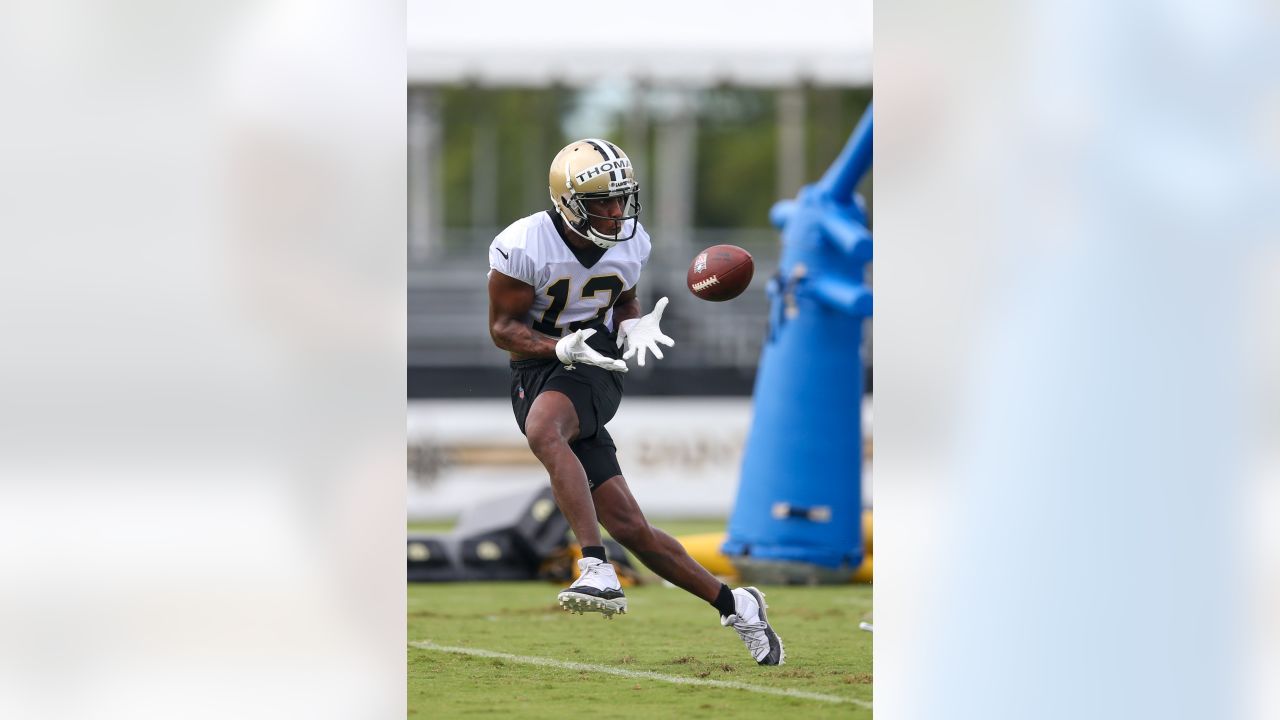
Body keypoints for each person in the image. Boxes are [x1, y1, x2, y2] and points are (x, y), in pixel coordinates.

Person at [485, 138, 784, 666]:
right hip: (535, 367)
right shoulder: (523, 244)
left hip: (597, 364)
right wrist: (556, 345)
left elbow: (621, 298)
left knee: (544, 431)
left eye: (621, 199)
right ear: (568, 204)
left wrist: (632, 323)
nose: (616, 211)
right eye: (602, 201)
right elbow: (502, 328)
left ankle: (596, 566)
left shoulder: (631, 241)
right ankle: (736, 603)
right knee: (632, 527)